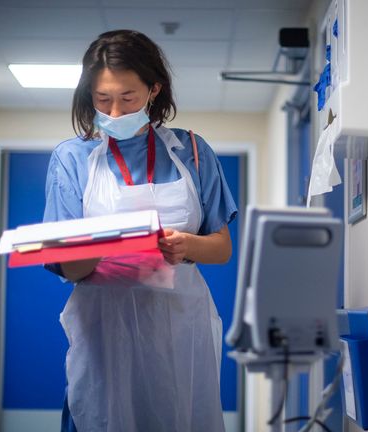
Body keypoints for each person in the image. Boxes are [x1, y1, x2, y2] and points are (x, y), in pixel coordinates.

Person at [42, 30, 237, 432]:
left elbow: (221, 249)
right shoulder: (72, 158)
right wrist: (98, 246)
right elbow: (67, 267)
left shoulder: (192, 151)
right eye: (102, 99)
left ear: (154, 89)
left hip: (179, 327)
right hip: (103, 332)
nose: (114, 112)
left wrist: (186, 245)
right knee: (101, 416)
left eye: (127, 98)